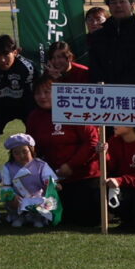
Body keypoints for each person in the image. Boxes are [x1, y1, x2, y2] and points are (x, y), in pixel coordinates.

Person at [24, 76, 100, 229]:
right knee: (58, 219)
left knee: (88, 220)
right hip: (54, 179)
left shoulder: (75, 110)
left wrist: (71, 165)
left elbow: (91, 142)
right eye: (38, 93)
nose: (42, 97)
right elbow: (32, 147)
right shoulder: (34, 117)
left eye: (47, 92)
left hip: (83, 175)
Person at [0, 133, 59, 227]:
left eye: (25, 151)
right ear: (12, 154)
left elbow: (49, 180)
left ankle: (38, 218)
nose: (21, 155)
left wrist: (52, 185)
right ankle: (19, 217)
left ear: (31, 150)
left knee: (44, 201)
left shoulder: (41, 165)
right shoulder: (8, 167)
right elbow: (6, 186)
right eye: (16, 153)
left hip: (37, 197)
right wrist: (12, 196)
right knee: (12, 200)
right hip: (18, 197)